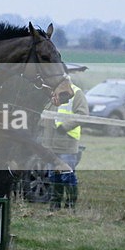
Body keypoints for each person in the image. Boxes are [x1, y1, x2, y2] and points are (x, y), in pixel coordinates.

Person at [40, 81, 89, 209]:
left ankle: (70, 205)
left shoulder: (76, 93)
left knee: (67, 176)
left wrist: (65, 127)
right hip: (50, 144)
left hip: (67, 143)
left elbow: (83, 115)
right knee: (53, 176)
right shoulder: (51, 90)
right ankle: (55, 204)